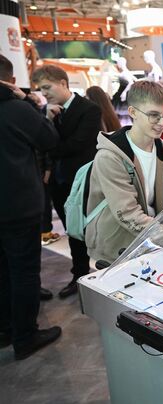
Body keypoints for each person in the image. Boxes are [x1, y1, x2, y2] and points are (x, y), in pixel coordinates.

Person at [0, 54, 62, 360]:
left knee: (2, 270)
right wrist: (31, 104)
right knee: (24, 272)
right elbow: (48, 138)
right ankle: (25, 336)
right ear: (11, 81)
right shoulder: (15, 109)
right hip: (17, 205)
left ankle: (5, 330)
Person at [85, 80, 163, 264]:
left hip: (153, 243)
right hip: (117, 249)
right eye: (154, 115)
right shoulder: (110, 156)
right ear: (133, 112)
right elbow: (127, 212)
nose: (162, 123)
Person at [32, 65, 102, 298]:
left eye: (47, 87)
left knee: (91, 231)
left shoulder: (89, 109)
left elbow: (77, 144)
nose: (45, 93)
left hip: (84, 182)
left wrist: (51, 140)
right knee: (72, 232)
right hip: (59, 183)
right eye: (41, 89)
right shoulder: (48, 112)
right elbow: (42, 145)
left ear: (63, 83)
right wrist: (47, 121)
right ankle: (79, 275)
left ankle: (101, 275)